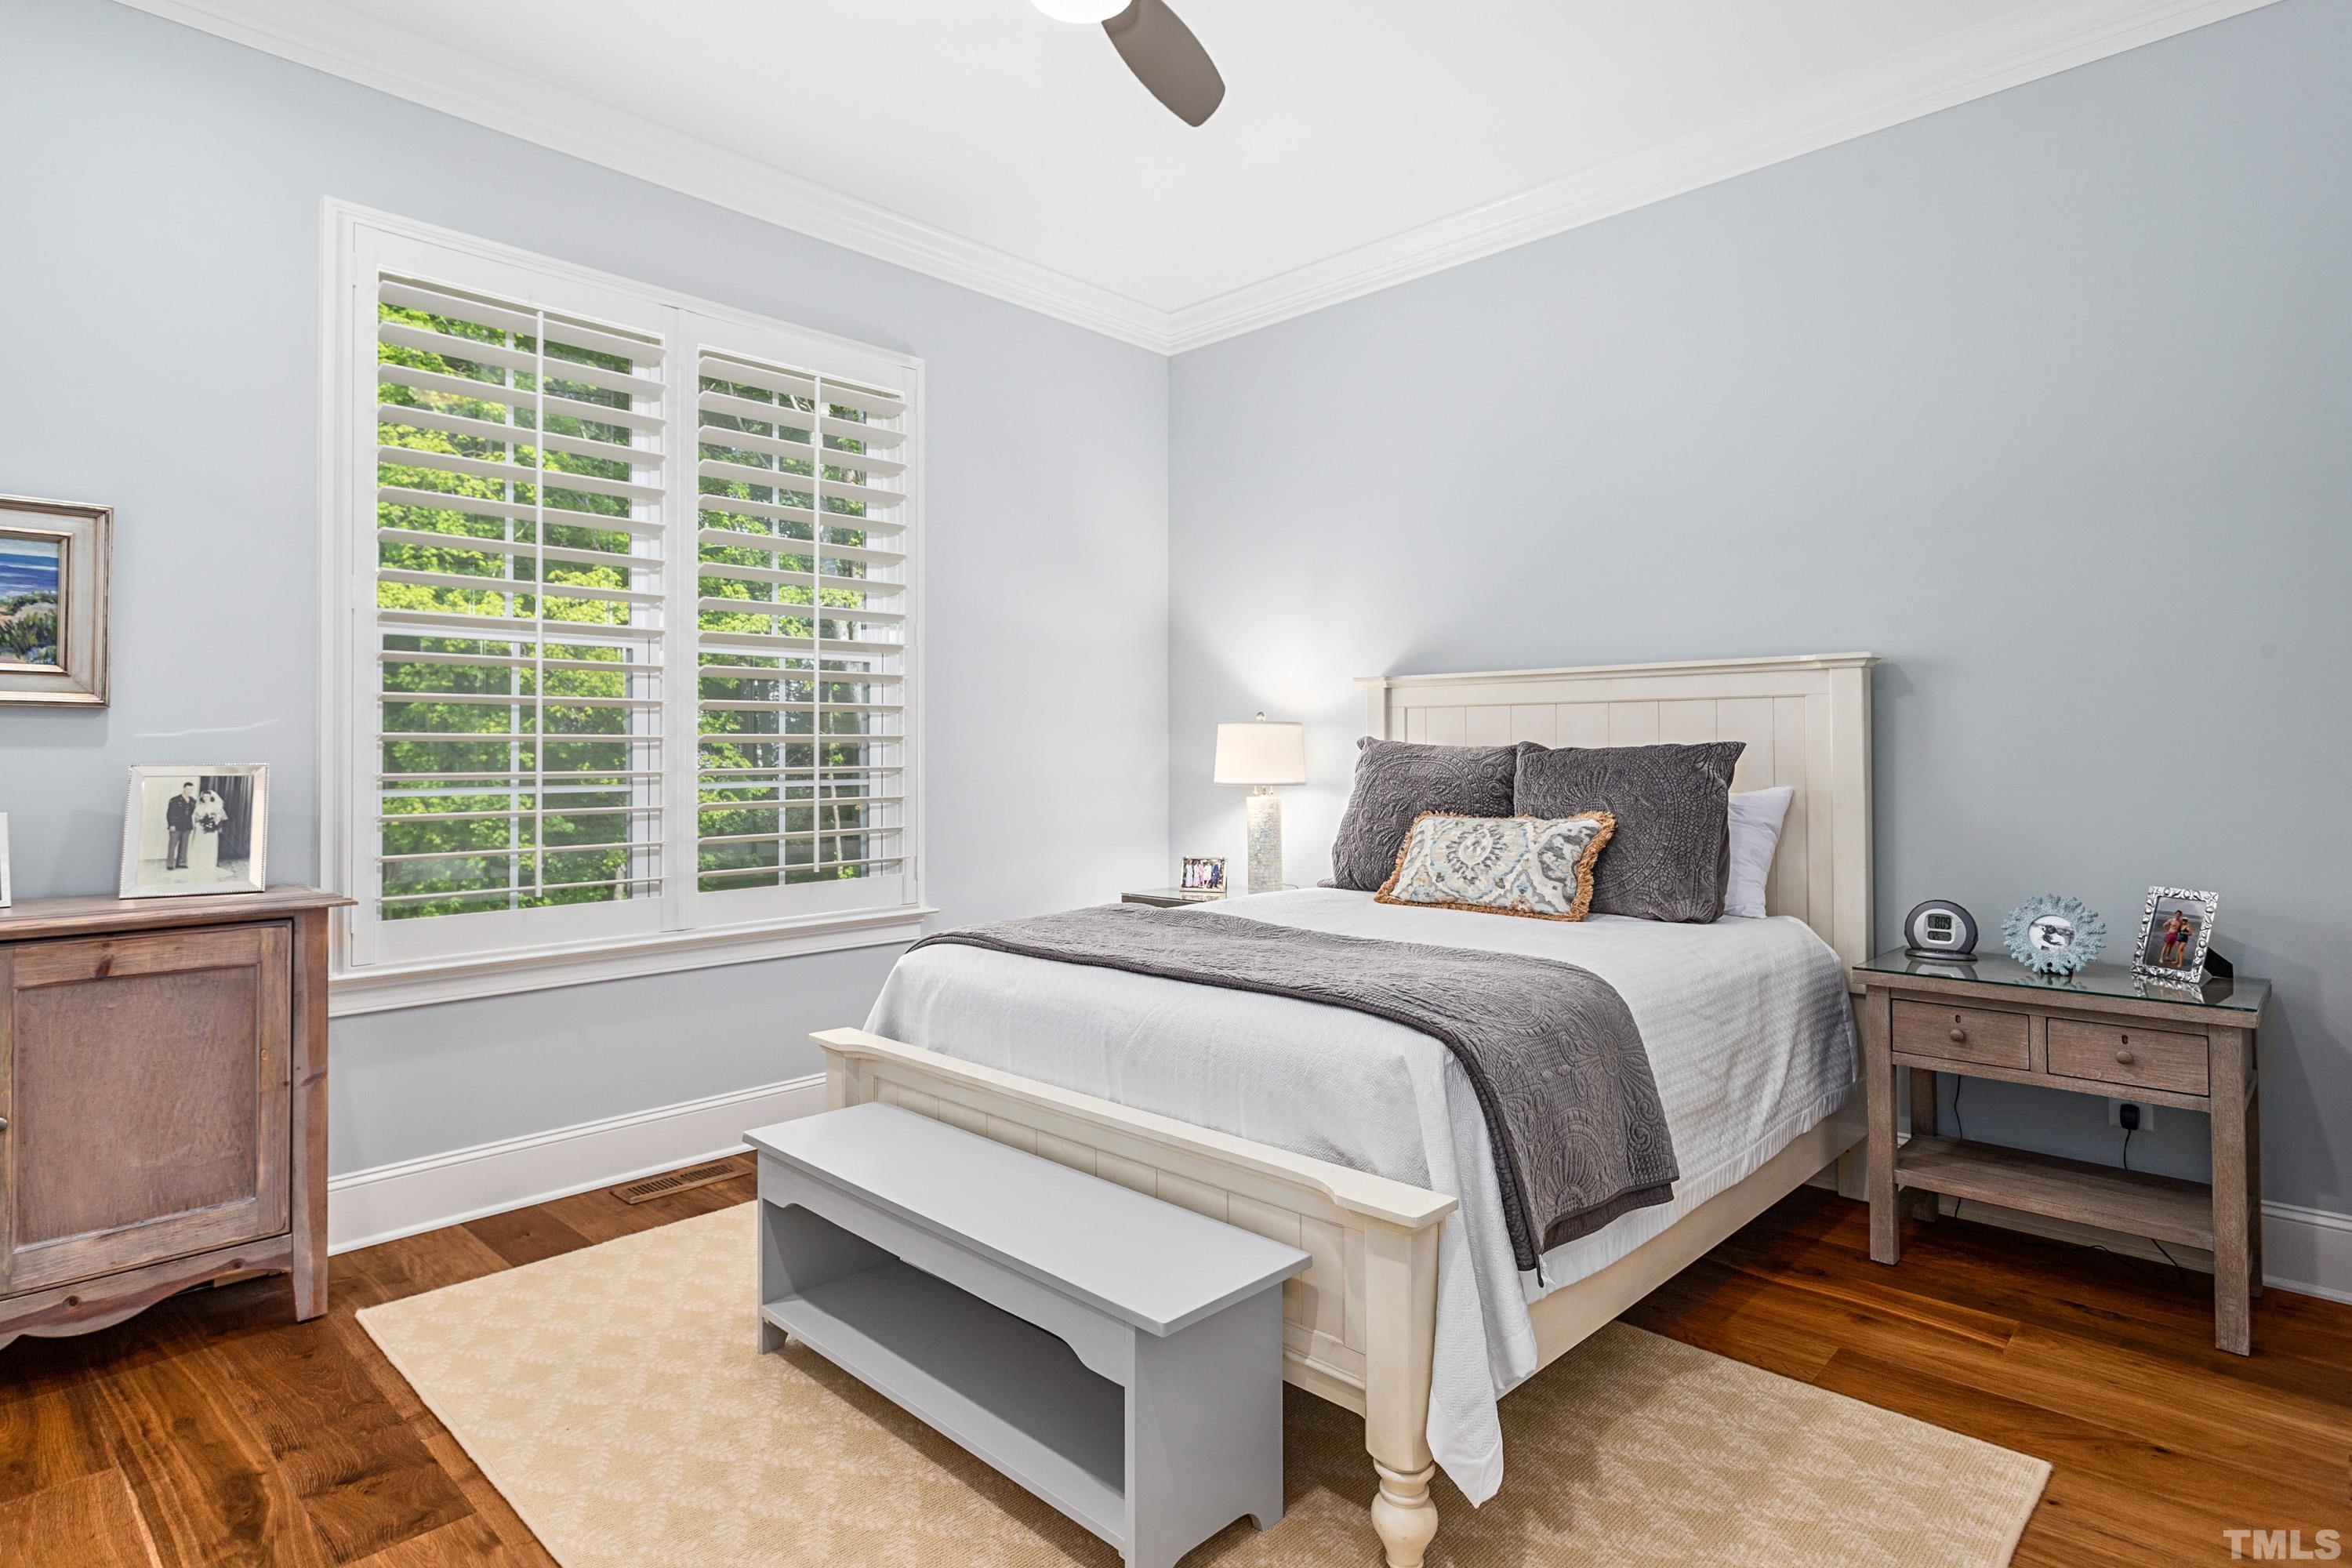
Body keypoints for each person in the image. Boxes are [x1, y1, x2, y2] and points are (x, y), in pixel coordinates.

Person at [163, 782, 198, 872]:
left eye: (191, 789)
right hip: (176, 826)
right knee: (172, 845)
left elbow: (192, 813)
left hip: (187, 826)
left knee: (184, 845)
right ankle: (170, 864)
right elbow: (170, 813)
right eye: (188, 789)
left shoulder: (193, 801)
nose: (189, 791)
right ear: (184, 788)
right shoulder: (174, 800)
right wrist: (171, 824)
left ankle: (181, 863)